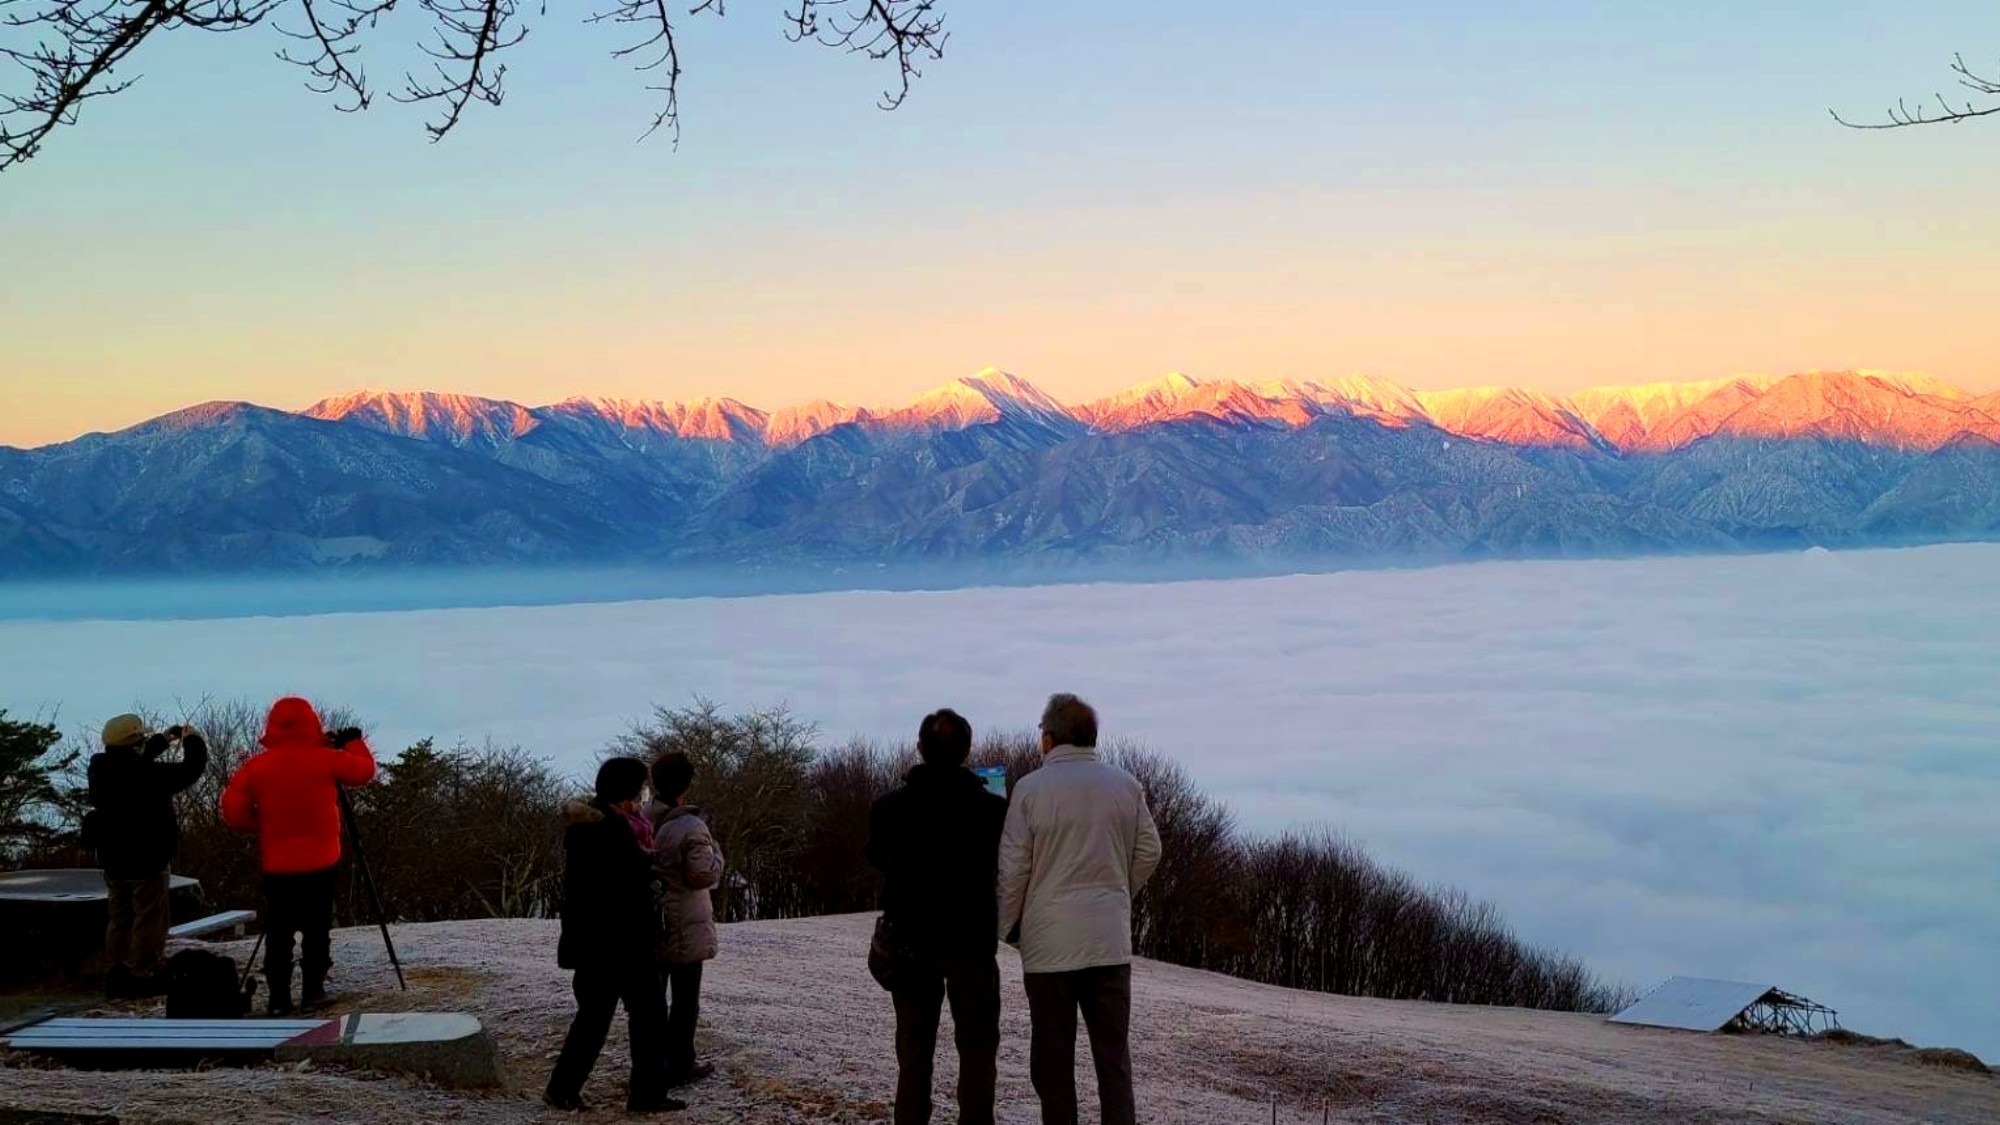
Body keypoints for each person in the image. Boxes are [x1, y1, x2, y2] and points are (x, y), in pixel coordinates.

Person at [998, 694, 1162, 1125]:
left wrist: (1008, 926)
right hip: (1108, 944)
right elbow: (1150, 851)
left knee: (1053, 1062)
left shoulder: (1030, 789)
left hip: (1049, 946)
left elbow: (1013, 868)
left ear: (1050, 739)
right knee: (1113, 1060)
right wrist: (1117, 892)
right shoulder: (1126, 785)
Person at [865, 708, 1009, 1125]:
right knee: (978, 1050)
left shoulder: (888, 807)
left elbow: (876, 855)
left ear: (919, 749)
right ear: (967, 751)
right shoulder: (992, 811)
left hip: (909, 944)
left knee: (913, 1051)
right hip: (972, 943)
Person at [219, 697, 377, 1015]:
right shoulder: (326, 759)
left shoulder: (257, 766)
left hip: (278, 862)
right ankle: (313, 992)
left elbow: (233, 811)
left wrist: (264, 825)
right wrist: (353, 743)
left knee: (279, 929)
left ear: (272, 726)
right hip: (321, 860)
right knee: (317, 927)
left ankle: (278, 998)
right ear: (312, 723)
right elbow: (363, 772)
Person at [545, 757, 683, 1114]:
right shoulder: (612, 831)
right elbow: (625, 887)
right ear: (627, 792)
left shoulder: (588, 826)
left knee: (593, 1018)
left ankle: (562, 1088)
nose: (641, 796)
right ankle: (647, 1095)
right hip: (622, 941)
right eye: (638, 789)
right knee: (650, 1016)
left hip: (595, 942)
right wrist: (650, 873)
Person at [86, 715, 209, 999]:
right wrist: (193, 739)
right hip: (148, 858)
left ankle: (115, 971)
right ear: (135, 745)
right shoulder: (149, 775)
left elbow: (134, 761)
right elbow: (191, 769)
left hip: (113, 858)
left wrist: (164, 740)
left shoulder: (101, 769)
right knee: (149, 918)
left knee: (120, 918)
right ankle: (143, 972)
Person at [648, 752, 724, 1090]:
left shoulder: (641, 818)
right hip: (684, 921)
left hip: (650, 918)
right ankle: (681, 1062)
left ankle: (652, 1063)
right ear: (687, 785)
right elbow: (701, 874)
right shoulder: (691, 825)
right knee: (684, 1000)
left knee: (651, 999)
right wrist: (718, 853)